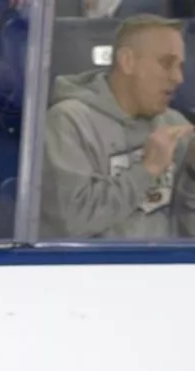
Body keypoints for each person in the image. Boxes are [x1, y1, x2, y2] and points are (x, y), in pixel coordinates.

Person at [41, 14, 195, 239]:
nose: (178, 77)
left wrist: (193, 175)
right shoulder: (68, 122)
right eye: (166, 63)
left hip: (167, 270)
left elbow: (188, 230)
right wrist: (147, 170)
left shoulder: (174, 123)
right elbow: (72, 223)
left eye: (180, 66)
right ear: (127, 61)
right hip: (95, 271)